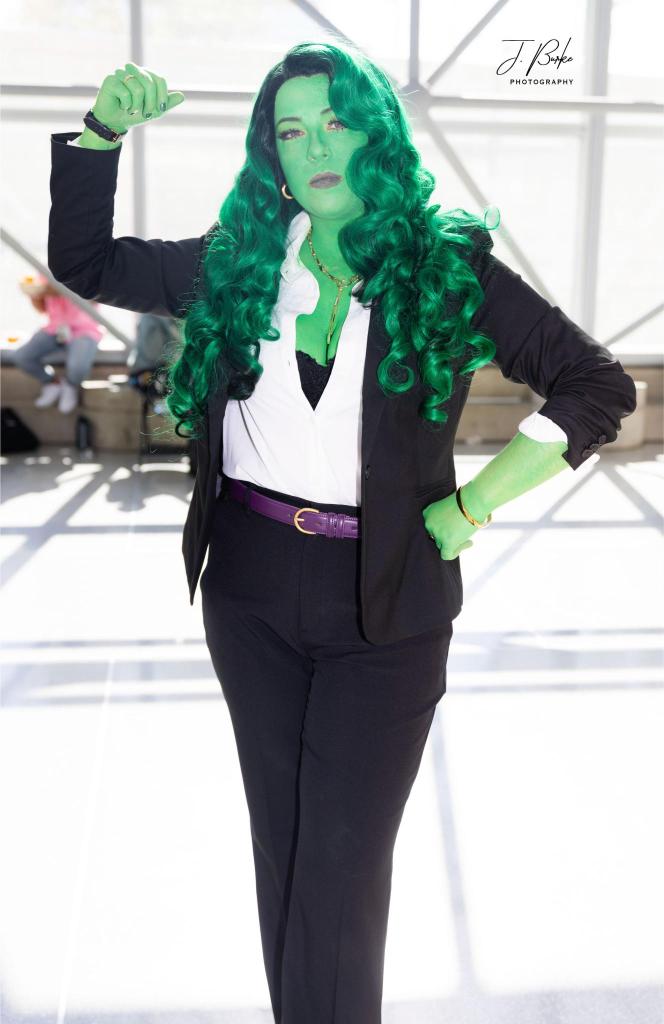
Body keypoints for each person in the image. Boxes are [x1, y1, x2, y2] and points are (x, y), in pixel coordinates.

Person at [47, 44, 637, 1024]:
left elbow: (597, 386)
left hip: (388, 598)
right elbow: (87, 264)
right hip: (250, 582)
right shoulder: (238, 262)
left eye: (336, 122)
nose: (316, 147)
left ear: (376, 135)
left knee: (341, 864)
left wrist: (474, 504)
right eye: (292, 131)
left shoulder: (444, 268)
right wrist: (102, 134)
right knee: (285, 851)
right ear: (272, 157)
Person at [14, 274, 102, 413]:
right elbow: (42, 309)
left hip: (83, 328)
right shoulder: (44, 274)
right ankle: (52, 383)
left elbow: (95, 297)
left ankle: (70, 385)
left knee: (78, 366)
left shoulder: (85, 268)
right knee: (22, 357)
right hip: (55, 328)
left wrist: (60, 289)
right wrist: (35, 296)